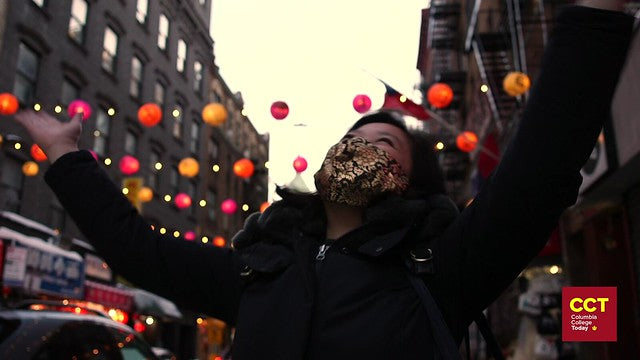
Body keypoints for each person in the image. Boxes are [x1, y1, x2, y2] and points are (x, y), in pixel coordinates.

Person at [12, 1, 635, 359]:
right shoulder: (260, 266)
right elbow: (134, 249)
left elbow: (540, 168)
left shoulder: (443, 265)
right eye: (352, 138)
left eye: (383, 141)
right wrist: (67, 157)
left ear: (410, 184)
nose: (360, 144)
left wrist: (594, 21)